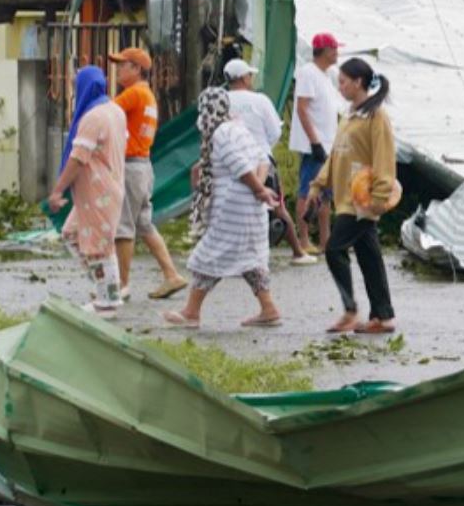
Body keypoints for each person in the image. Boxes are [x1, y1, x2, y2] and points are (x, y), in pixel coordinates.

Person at [163, 88, 284, 329]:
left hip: (233, 209)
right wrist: (259, 189)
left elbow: (239, 166)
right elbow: (262, 159)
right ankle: (268, 308)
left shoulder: (220, 133)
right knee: (250, 260)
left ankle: (191, 313)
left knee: (209, 256)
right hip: (249, 209)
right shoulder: (238, 128)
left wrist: (258, 190)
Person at [311, 57, 400, 335]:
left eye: (343, 82)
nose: (340, 87)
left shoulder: (377, 116)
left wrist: (380, 197)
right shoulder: (349, 114)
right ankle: (382, 316)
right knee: (368, 257)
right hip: (346, 197)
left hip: (363, 200)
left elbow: (385, 158)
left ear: (359, 82)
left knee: (334, 248)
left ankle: (350, 310)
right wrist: (318, 184)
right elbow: (336, 154)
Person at [105, 48, 188, 299]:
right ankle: (171, 275)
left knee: (124, 228)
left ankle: (122, 286)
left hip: (130, 167)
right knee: (144, 225)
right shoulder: (148, 96)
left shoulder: (133, 95)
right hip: (143, 166)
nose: (118, 70)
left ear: (137, 69)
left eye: (123, 65)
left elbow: (105, 114)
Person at [47, 65, 128, 313]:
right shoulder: (115, 110)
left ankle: (108, 300)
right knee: (72, 234)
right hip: (105, 188)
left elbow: (78, 157)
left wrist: (58, 190)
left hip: (98, 192)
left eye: (75, 87)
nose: (74, 92)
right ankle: (104, 286)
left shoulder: (93, 118)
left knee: (99, 246)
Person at [224, 57, 317, 266]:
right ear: (243, 78)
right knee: (277, 206)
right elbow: (275, 131)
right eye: (250, 75)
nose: (251, 78)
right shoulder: (260, 101)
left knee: (230, 209)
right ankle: (298, 252)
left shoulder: (221, 100)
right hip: (260, 162)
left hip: (229, 162)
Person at [290, 33, 339, 254]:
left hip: (327, 143)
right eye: (335, 49)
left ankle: (325, 239)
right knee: (307, 191)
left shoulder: (327, 75)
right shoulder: (308, 73)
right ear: (325, 50)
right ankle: (303, 240)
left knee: (325, 193)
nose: (337, 53)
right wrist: (315, 141)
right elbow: (302, 107)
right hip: (314, 144)